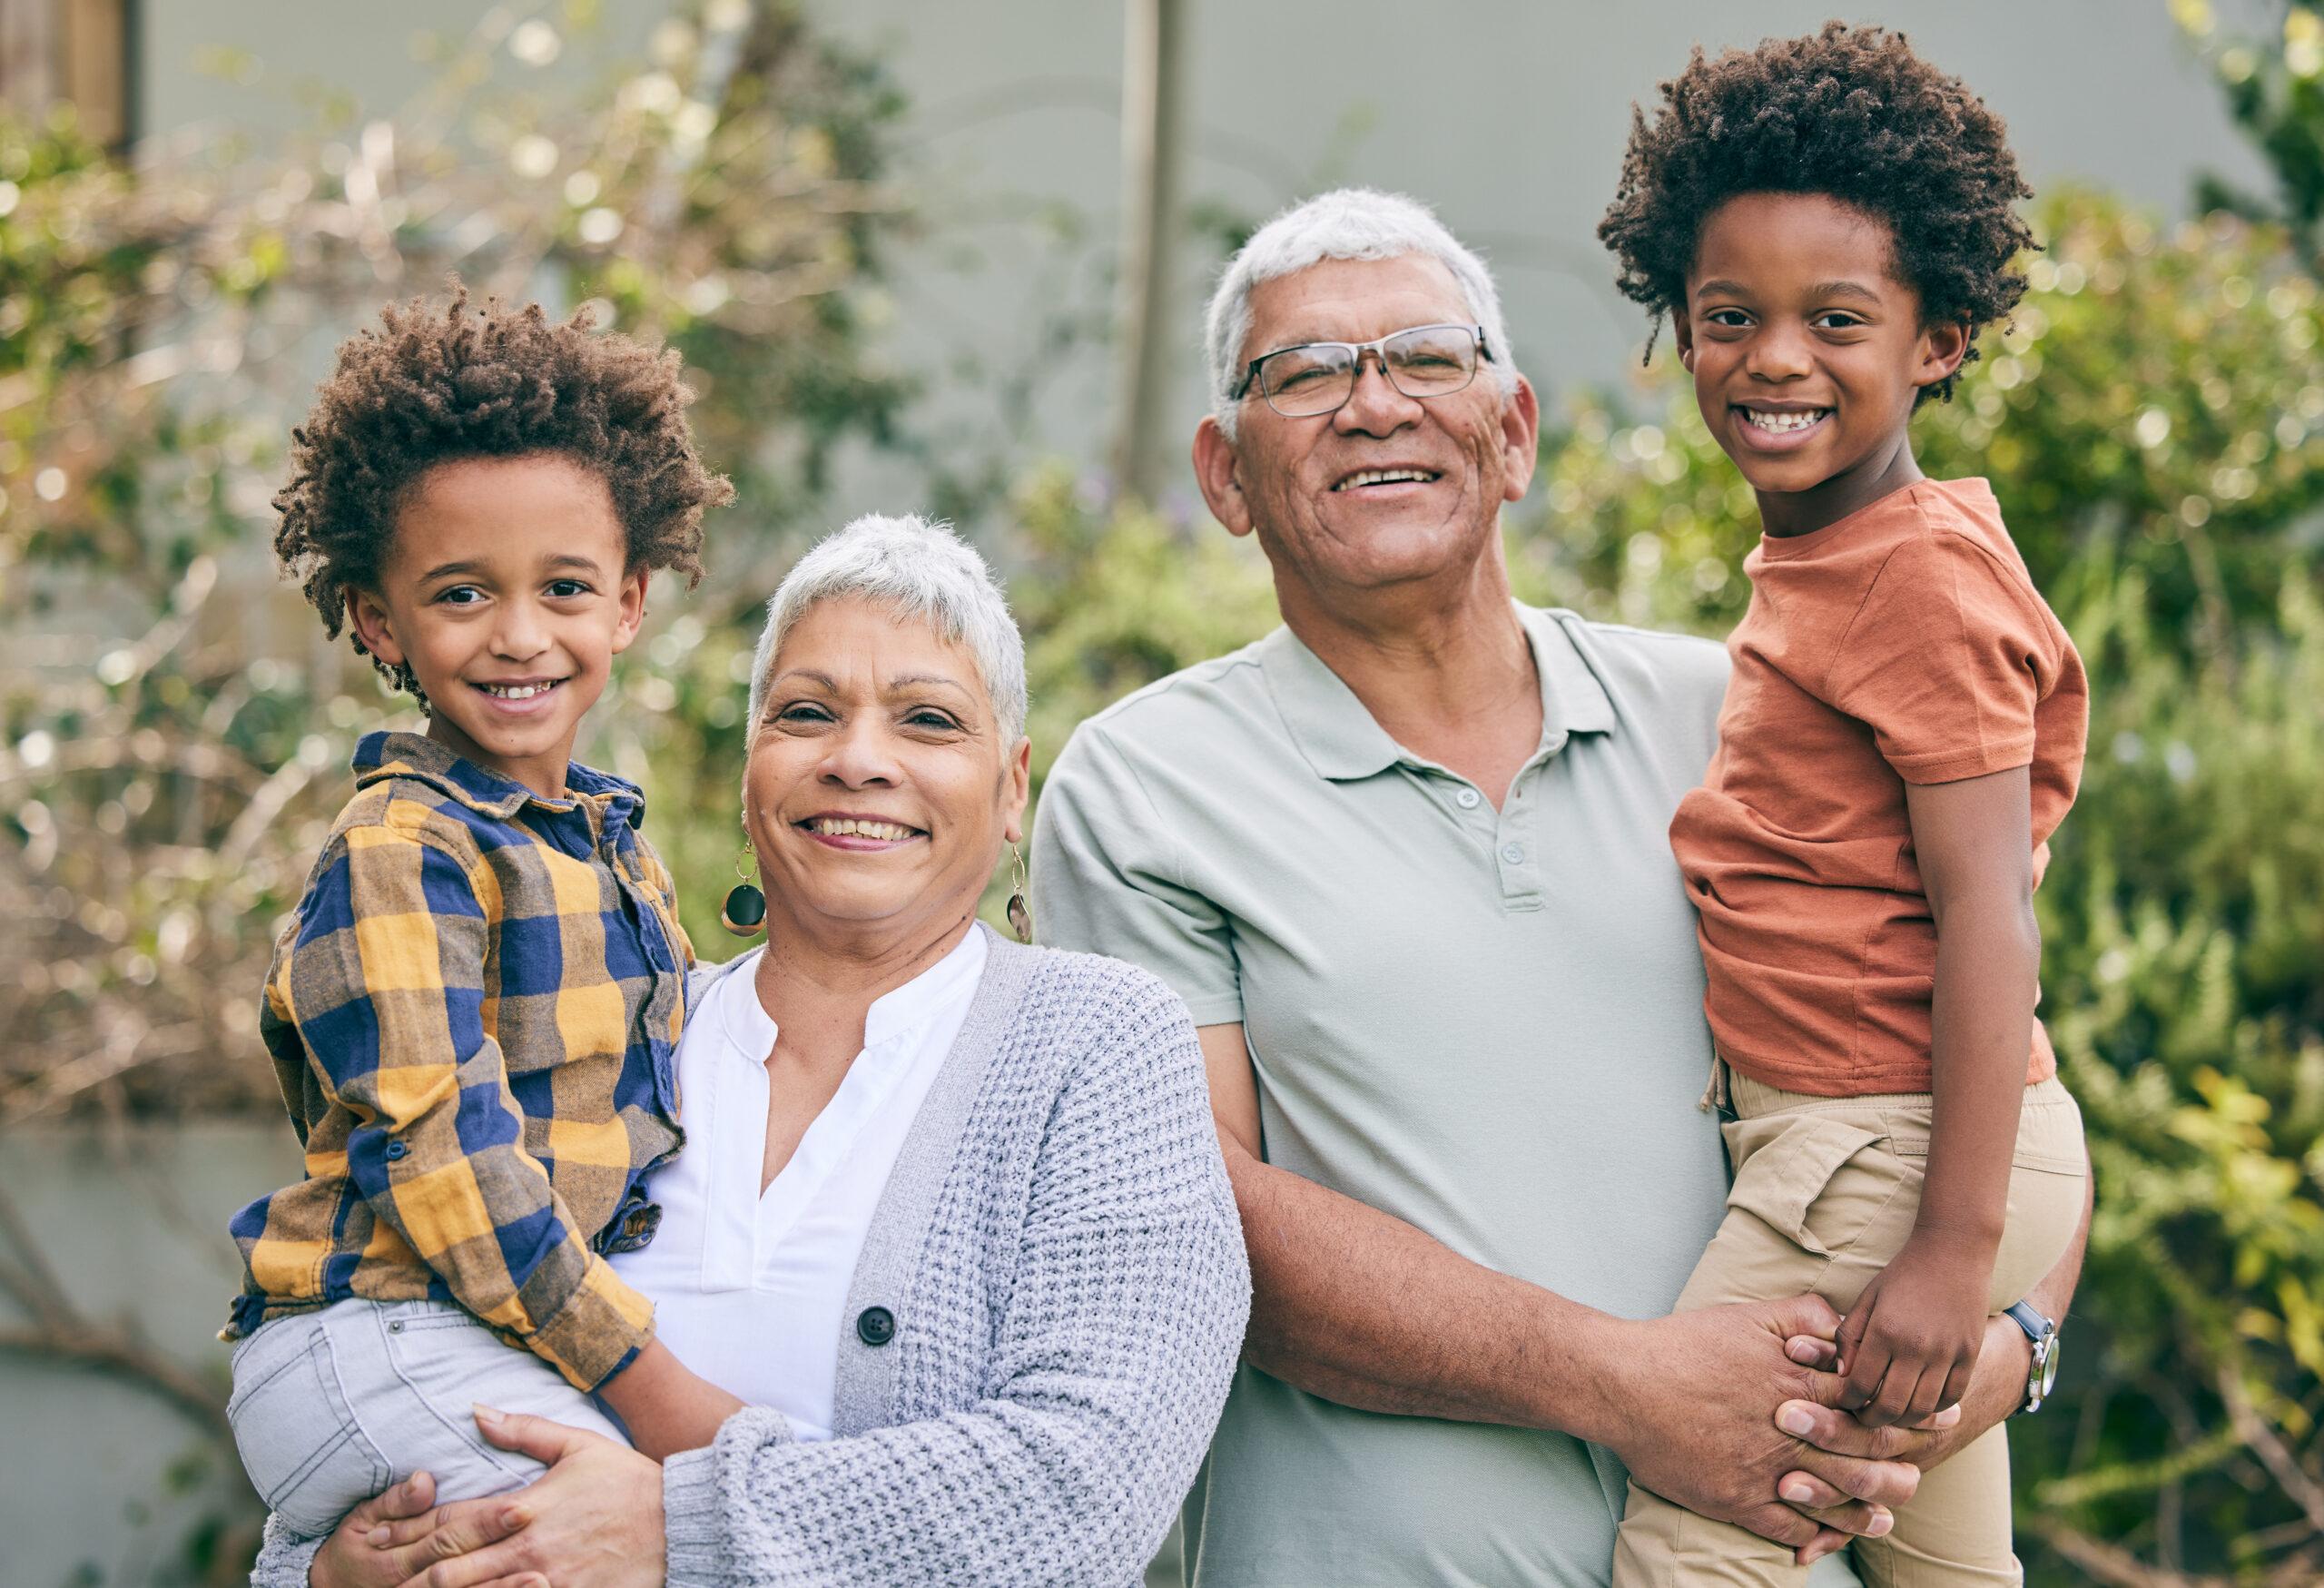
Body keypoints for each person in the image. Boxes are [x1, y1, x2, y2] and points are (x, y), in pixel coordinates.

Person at [1031, 187, 2092, 1587]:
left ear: (1515, 431)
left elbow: (1993, 1082)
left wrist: (2013, 1349)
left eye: (1425, 356)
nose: (1373, 405)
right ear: (1225, 475)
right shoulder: (1144, 787)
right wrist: (1633, 1386)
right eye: (1306, 374)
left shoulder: (1733, 708)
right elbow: (1204, 1224)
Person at [257, 514, 1250, 1588]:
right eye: (807, 713)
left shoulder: (1098, 1046)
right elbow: (382, 1383)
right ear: (750, 774)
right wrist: (325, 1577)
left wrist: (670, 1530)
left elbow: (1079, 1495)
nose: (859, 760)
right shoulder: (620, 1036)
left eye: (926, 721)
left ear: (1013, 789)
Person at [1596, 27, 2091, 1583]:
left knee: (1696, 1534)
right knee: (1943, 1564)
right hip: (1878, 1145)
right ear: (1680, 322)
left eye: (1837, 320)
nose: (1774, 358)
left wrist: (1950, 1248)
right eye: (1729, 316)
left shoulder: (1914, 580)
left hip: (1889, 1159)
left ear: (1936, 338)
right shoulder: (1838, 560)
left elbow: (1989, 908)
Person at [222, 290, 744, 1545]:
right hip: (384, 1335)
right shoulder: (406, 848)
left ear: (630, 600)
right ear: (377, 618)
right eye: (461, 595)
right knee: (663, 1531)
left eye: (565, 587)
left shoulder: (611, 844)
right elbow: (446, 1160)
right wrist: (658, 1391)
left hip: (473, 1339)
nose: (521, 635)